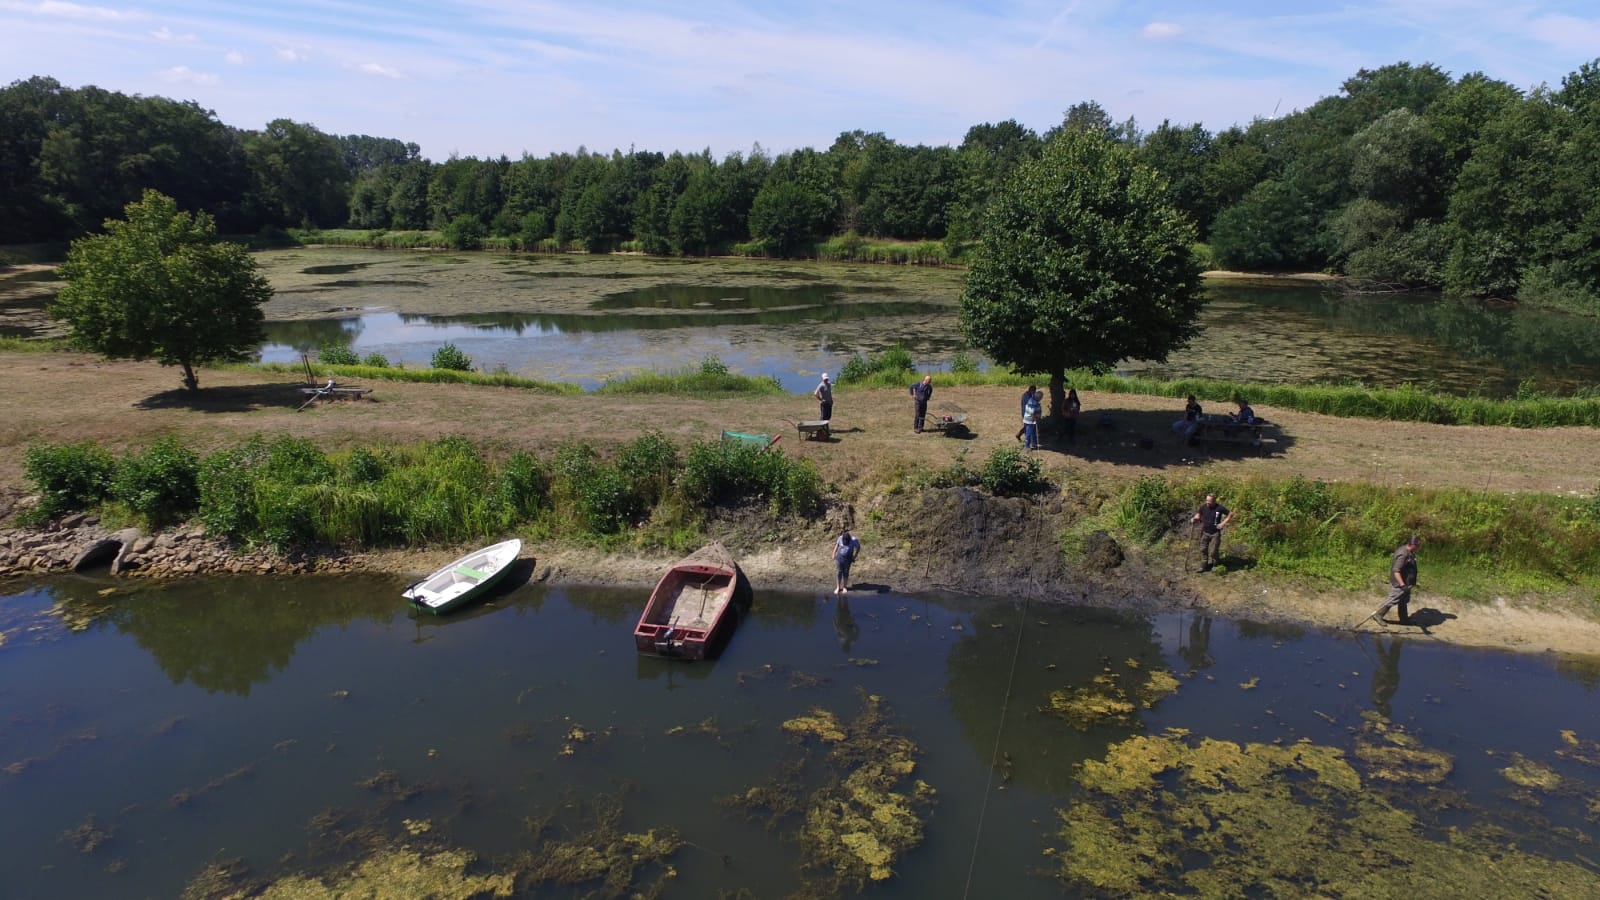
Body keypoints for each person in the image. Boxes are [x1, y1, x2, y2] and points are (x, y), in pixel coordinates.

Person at [1379, 536, 1420, 625]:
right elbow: (1396, 570)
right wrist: (1402, 585)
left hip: (1407, 582)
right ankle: (1378, 614)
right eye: (1417, 545)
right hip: (1400, 583)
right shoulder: (1403, 554)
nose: (1419, 547)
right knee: (1392, 599)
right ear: (1412, 544)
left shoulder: (1410, 552)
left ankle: (1404, 619)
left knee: (1403, 600)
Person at [1189, 493, 1232, 572]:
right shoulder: (1203, 507)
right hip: (1205, 532)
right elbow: (1198, 515)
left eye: (1209, 501)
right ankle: (1203, 566)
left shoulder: (1219, 508)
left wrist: (1223, 523)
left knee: (1213, 551)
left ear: (1214, 501)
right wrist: (1194, 519)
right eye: (1207, 500)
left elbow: (1230, 514)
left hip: (1215, 533)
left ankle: (1215, 565)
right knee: (1203, 549)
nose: (1207, 502)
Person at [833, 528, 862, 595]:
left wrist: (854, 556)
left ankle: (844, 587)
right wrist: (833, 554)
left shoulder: (854, 540)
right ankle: (838, 587)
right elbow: (837, 545)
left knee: (846, 572)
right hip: (839, 558)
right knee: (839, 572)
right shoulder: (840, 538)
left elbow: (858, 547)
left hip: (848, 558)